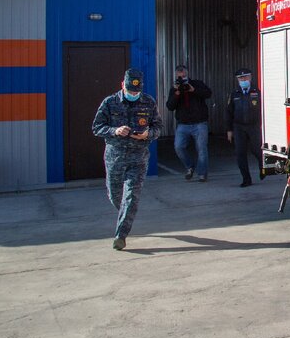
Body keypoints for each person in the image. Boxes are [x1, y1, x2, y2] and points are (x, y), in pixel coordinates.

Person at [91, 68, 163, 250]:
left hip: (138, 157)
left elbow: (158, 127)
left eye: (136, 92)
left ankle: (120, 235)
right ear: (123, 85)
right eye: (130, 90)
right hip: (115, 157)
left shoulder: (148, 102)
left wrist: (148, 134)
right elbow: (97, 127)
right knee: (115, 195)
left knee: (131, 196)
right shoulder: (110, 102)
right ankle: (126, 215)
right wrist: (114, 131)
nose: (133, 94)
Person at [165, 64, 212, 182]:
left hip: (199, 122)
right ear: (176, 76)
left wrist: (194, 90)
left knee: (201, 148)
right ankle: (190, 167)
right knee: (179, 147)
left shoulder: (197, 84)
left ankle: (202, 174)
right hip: (183, 123)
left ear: (187, 74)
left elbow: (208, 94)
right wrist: (176, 93)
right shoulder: (175, 89)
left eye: (184, 76)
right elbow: (170, 106)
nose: (182, 79)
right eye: (180, 77)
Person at [226, 67, 262, 187]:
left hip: (254, 126)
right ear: (237, 80)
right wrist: (229, 130)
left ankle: (263, 169)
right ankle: (246, 179)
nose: (243, 79)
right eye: (241, 78)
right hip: (239, 127)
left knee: (257, 150)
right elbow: (229, 112)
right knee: (240, 153)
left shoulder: (257, 91)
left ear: (250, 77)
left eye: (245, 77)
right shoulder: (234, 93)